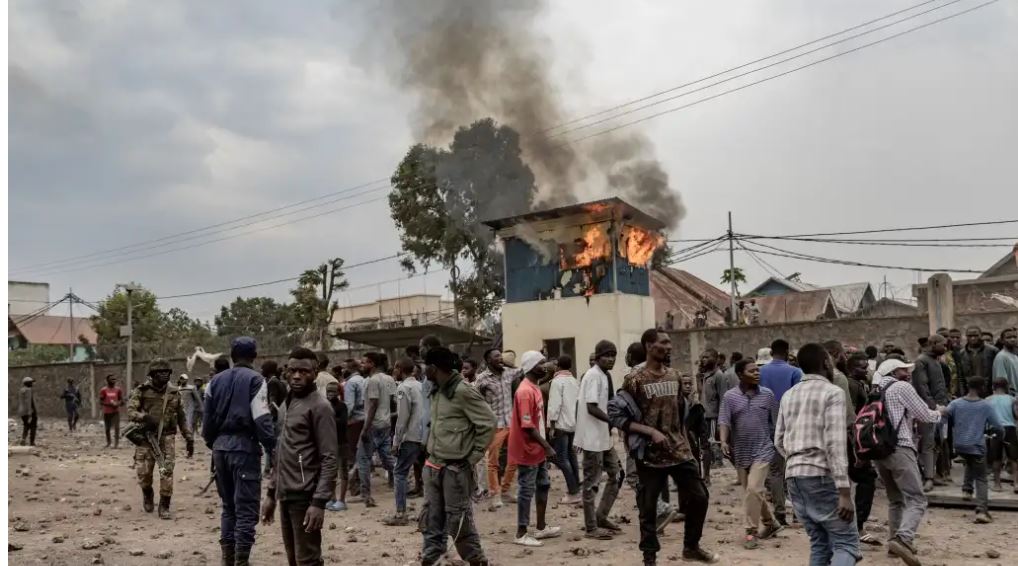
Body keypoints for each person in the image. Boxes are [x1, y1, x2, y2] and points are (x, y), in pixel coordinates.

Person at [620, 329, 716, 565]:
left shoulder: (674, 376)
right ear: (649, 345)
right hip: (650, 456)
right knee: (648, 510)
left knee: (700, 497)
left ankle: (691, 546)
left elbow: (679, 413)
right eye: (664, 343)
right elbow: (622, 419)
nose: (669, 347)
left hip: (678, 450)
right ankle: (649, 558)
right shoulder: (635, 379)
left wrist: (686, 442)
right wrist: (649, 433)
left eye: (670, 343)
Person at [774, 343, 860, 566]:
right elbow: (835, 443)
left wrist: (798, 459)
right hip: (822, 477)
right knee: (846, 544)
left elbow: (779, 440)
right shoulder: (833, 393)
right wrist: (844, 491)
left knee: (820, 543)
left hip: (794, 478)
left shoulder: (789, 395)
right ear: (824, 362)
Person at [261, 347, 338, 566]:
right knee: (294, 558)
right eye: (292, 370)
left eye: (303, 371)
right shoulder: (288, 403)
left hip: (306, 496)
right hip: (286, 494)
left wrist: (319, 502)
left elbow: (330, 458)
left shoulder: (320, 407)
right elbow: (282, 451)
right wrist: (270, 493)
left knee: (308, 560)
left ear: (315, 372)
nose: (296, 376)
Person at [202, 337, 275, 566]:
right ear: (254, 356)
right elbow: (262, 418)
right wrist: (272, 446)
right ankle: (242, 561)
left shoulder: (214, 382)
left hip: (220, 449)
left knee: (228, 507)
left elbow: (206, 423)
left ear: (232, 356)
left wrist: (214, 444)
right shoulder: (256, 380)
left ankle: (228, 559)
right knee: (246, 508)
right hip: (244, 448)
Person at [420, 346, 495, 565]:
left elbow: (488, 423)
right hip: (434, 466)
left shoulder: (463, 391)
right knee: (432, 519)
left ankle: (476, 560)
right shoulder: (438, 389)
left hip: (455, 470)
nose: (423, 369)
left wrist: (472, 457)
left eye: (425, 366)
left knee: (458, 522)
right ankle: (431, 559)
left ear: (433, 368)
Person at [872, 358, 944, 565]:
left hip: (879, 452)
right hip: (900, 448)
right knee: (917, 499)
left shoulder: (875, 389)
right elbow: (923, 414)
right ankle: (903, 539)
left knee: (896, 500)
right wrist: (940, 413)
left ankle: (894, 545)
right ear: (894, 373)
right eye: (904, 369)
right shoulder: (901, 387)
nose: (908, 373)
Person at [718, 359, 782, 550]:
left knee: (754, 490)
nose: (757, 373)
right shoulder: (730, 397)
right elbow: (724, 420)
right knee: (752, 492)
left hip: (763, 449)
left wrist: (777, 444)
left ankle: (750, 532)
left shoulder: (767, 395)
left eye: (758, 371)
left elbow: (776, 422)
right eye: (752, 371)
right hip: (741, 451)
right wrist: (723, 441)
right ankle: (771, 524)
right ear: (739, 374)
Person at [128, 358, 194, 520]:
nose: (164, 375)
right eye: (160, 373)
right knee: (144, 474)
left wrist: (189, 437)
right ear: (152, 375)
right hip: (146, 438)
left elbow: (182, 418)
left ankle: (164, 505)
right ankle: (147, 494)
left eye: (167, 372)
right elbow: (130, 411)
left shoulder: (173, 392)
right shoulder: (141, 391)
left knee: (167, 472)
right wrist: (144, 417)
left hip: (167, 438)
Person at [510, 351, 562, 547]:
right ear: (532, 367)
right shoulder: (525, 392)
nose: (546, 366)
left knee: (543, 484)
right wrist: (547, 446)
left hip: (537, 447)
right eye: (542, 363)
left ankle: (540, 527)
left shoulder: (534, 387)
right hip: (528, 447)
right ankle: (521, 532)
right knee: (526, 489)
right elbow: (527, 426)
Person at [575, 340, 623, 540]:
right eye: (606, 355)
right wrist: (614, 421)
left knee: (617, 474)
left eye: (613, 355)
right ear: (597, 357)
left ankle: (601, 516)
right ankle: (591, 527)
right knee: (591, 482)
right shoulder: (593, 376)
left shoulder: (605, 375)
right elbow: (591, 407)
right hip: (592, 438)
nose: (611, 359)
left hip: (602, 436)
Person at [942, 376, 1003, 523]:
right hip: (976, 445)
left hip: (960, 445)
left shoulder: (956, 403)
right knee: (981, 478)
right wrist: (999, 436)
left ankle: (967, 490)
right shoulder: (985, 405)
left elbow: (943, 415)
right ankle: (982, 511)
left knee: (970, 461)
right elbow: (997, 426)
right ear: (981, 388)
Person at [759, 338, 801, 525]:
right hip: (792, 426)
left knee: (775, 472)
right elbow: (801, 398)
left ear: (771, 352)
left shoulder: (760, 372)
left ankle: (780, 513)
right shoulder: (795, 372)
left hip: (767, 426)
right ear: (787, 352)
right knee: (794, 469)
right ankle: (798, 514)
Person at [475, 348, 522, 509]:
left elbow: (525, 370)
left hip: (511, 423)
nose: (500, 357)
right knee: (493, 461)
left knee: (514, 459)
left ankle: (507, 490)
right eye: (496, 356)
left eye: (500, 355)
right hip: (495, 425)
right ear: (488, 361)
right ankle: (495, 494)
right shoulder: (482, 379)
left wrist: (508, 362)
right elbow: (476, 400)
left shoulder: (509, 372)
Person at [384, 357, 425, 525]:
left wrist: (396, 441)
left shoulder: (403, 388)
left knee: (400, 472)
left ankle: (401, 514)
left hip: (410, 437)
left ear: (400, 369)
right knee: (428, 474)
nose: (394, 371)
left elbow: (402, 418)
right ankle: (428, 514)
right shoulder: (422, 386)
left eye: (395, 368)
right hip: (425, 436)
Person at [844, 353, 879, 544]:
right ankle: (857, 526)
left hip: (856, 440)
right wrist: (857, 448)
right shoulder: (851, 385)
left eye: (866, 367)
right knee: (866, 478)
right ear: (851, 368)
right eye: (861, 368)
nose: (865, 371)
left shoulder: (860, 384)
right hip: (854, 441)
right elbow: (854, 418)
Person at [357, 352, 397, 507]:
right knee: (386, 456)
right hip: (385, 423)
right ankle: (398, 482)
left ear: (372, 364)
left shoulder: (373, 381)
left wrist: (365, 429)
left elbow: (373, 404)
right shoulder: (389, 379)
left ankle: (366, 495)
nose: (362, 365)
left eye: (364, 362)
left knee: (363, 458)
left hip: (373, 424)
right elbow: (393, 402)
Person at [913, 334, 950, 491]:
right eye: (943, 345)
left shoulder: (936, 360)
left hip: (941, 408)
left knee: (938, 442)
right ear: (933, 343)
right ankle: (927, 478)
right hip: (929, 410)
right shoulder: (921, 361)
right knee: (928, 443)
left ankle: (933, 475)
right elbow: (922, 387)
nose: (946, 348)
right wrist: (933, 407)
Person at [547, 354, 581, 505]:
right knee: (571, 456)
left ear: (557, 367)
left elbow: (555, 405)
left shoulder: (556, 382)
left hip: (561, 424)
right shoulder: (574, 381)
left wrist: (552, 426)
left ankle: (573, 492)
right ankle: (576, 486)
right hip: (573, 424)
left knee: (561, 458)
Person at [340, 357, 366, 505]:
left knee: (353, 455)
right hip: (364, 420)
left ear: (349, 368)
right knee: (362, 453)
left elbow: (348, 406)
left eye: (345, 368)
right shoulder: (363, 380)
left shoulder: (350, 383)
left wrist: (343, 421)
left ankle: (355, 486)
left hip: (354, 422)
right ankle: (362, 484)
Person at [986, 377, 1018, 493]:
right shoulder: (1012, 399)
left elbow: (986, 417)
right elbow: (1016, 415)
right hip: (1010, 429)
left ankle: (997, 484)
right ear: (1006, 387)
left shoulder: (988, 400)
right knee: (1014, 458)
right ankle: (1016, 484)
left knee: (996, 458)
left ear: (993, 387)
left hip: (995, 429)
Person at [324, 380, 350, 512]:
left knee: (343, 471)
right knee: (331, 472)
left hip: (341, 443)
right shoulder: (324, 406)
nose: (330, 394)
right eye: (328, 391)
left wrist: (329, 419)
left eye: (333, 391)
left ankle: (342, 500)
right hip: (329, 444)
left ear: (339, 393)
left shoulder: (342, 406)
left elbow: (343, 422)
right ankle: (332, 497)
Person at [99, 374, 125, 448]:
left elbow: (122, 401)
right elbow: (100, 402)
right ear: (107, 380)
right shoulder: (103, 390)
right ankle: (108, 442)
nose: (114, 381)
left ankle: (116, 444)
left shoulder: (118, 390)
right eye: (112, 379)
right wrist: (109, 404)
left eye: (114, 379)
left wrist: (117, 403)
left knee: (116, 428)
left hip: (115, 412)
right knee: (107, 428)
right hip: (107, 412)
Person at [992, 328, 1018, 393]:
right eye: (1008, 337)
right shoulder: (1001, 357)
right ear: (1002, 340)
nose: (1012, 339)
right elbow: (1001, 382)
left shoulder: (1014, 356)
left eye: (1014, 337)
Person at [17, 376, 38, 446]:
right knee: (33, 426)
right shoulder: (29, 390)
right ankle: (32, 442)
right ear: (28, 383)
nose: (32, 384)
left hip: (22, 412)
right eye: (31, 382)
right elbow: (29, 402)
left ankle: (23, 438)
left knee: (26, 425)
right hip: (29, 411)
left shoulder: (21, 390)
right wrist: (30, 413)